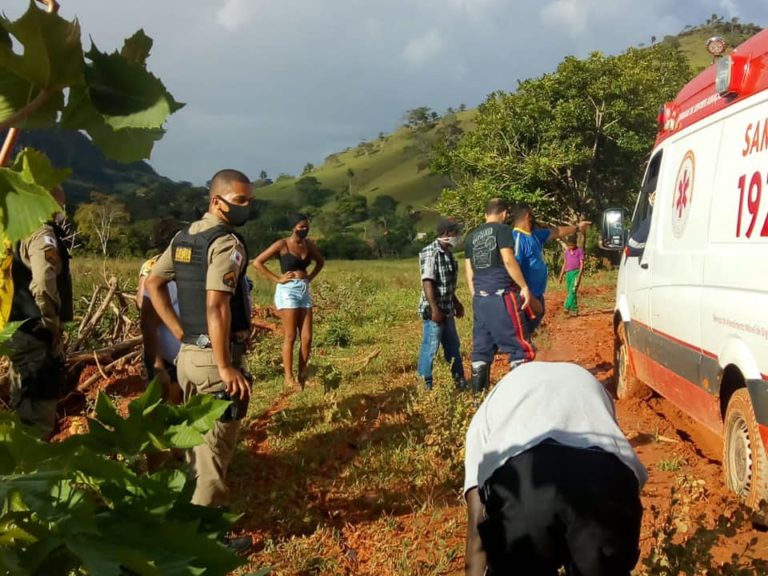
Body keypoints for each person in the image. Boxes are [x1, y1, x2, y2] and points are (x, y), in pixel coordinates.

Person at [464, 362, 647, 576]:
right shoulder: (590, 385)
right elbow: (625, 476)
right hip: (605, 479)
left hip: (526, 489)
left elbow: (477, 516)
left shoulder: (487, 412)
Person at [147, 169, 253, 508]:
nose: (246, 206)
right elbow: (217, 304)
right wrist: (225, 365)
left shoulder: (183, 237)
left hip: (188, 357)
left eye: (249, 200)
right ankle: (206, 534)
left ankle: (189, 517)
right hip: (213, 361)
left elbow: (153, 284)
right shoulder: (225, 242)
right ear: (217, 201)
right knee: (213, 454)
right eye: (239, 200)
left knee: (196, 445)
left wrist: (180, 332)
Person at [5, 186, 72, 437]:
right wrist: (50, 324)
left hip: (14, 328)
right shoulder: (41, 232)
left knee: (21, 398)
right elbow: (44, 281)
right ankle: (31, 470)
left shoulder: (12, 231)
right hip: (35, 331)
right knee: (39, 413)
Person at [464, 198, 534, 393]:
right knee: (520, 349)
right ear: (504, 213)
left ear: (486, 214)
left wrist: (477, 295)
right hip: (502, 296)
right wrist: (523, 286)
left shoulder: (471, 236)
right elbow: (508, 259)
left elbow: (469, 271)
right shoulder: (502, 230)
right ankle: (522, 397)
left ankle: (478, 400)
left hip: (480, 298)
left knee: (481, 351)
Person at [252, 213, 324, 389]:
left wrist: (309, 278)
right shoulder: (282, 244)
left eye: (306, 226)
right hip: (287, 291)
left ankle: (303, 375)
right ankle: (289, 378)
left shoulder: (309, 245)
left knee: (307, 337)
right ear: (293, 227)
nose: (304, 230)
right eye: (301, 227)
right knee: (291, 335)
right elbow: (258, 262)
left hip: (303, 290)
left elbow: (320, 262)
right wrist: (277, 279)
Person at [510, 205, 590, 332]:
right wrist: (528, 296)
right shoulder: (517, 238)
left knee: (528, 336)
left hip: (537, 296)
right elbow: (513, 268)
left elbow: (556, 231)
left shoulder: (535, 235)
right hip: (527, 299)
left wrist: (577, 228)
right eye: (532, 215)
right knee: (523, 340)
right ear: (527, 216)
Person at [136, 218, 183, 404]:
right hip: (166, 360)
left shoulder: (152, 265)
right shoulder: (161, 272)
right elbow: (145, 314)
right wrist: (157, 365)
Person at [416, 218, 466, 390]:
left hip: (447, 310)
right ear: (446, 234)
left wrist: (456, 303)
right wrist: (435, 310)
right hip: (434, 312)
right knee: (430, 349)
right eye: (455, 233)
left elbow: (446, 284)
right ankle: (424, 386)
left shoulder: (449, 254)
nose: (458, 236)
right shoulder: (430, 252)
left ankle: (460, 383)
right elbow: (428, 281)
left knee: (453, 348)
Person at [558, 234, 585, 316]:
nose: (569, 247)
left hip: (576, 273)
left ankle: (567, 306)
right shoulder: (567, 252)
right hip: (568, 274)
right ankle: (575, 310)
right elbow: (564, 264)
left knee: (572, 290)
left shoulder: (579, 251)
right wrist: (561, 275)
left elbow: (582, 264)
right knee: (570, 291)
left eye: (571, 245)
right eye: (568, 245)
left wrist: (579, 275)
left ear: (575, 243)